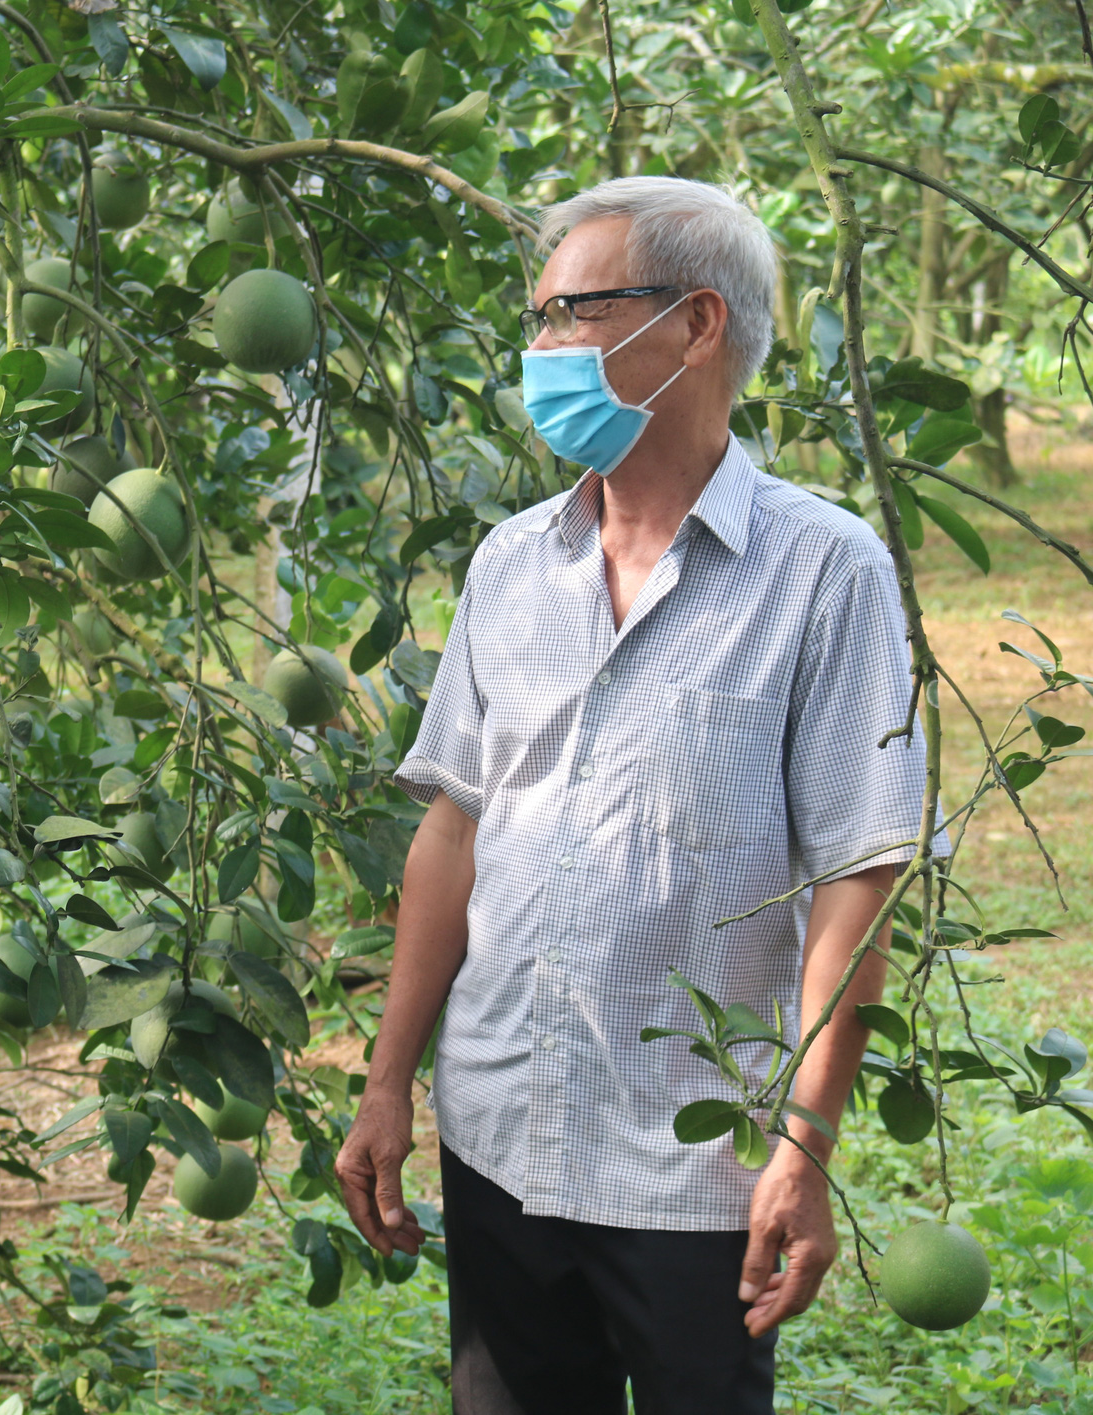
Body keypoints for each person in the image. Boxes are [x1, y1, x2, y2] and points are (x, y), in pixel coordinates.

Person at [334, 177, 933, 1413]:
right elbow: (453, 830)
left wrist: (805, 1147)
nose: (537, 349)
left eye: (571, 313)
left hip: (691, 1171)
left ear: (697, 323)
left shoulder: (824, 572)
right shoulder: (511, 564)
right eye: (536, 318)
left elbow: (856, 880)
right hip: (501, 1134)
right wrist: (388, 1079)